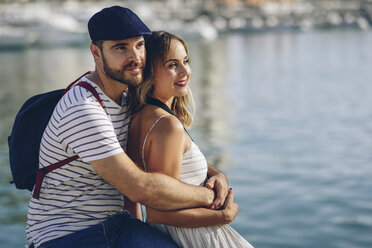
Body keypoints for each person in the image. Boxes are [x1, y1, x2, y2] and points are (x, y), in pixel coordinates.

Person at [26, 6, 231, 248]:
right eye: (120, 48)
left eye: (139, 45)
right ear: (96, 52)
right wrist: (210, 197)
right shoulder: (83, 110)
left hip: (117, 225)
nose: (135, 57)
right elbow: (140, 187)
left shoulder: (126, 99)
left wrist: (215, 174)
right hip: (66, 234)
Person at [127, 31, 254, 248]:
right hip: (194, 237)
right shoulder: (167, 125)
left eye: (186, 61)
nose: (185, 71)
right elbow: (158, 213)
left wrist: (217, 174)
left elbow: (179, 170)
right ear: (150, 72)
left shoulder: (139, 116)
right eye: (172, 65)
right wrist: (223, 217)